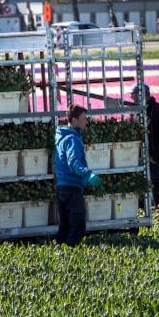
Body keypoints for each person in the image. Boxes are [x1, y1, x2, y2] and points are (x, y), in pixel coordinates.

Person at [53, 104, 102, 247]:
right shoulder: (73, 139)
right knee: (78, 228)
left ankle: (57, 253)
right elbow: (73, 162)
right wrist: (88, 174)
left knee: (65, 227)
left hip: (62, 187)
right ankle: (68, 256)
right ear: (74, 120)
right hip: (72, 188)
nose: (86, 122)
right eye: (83, 119)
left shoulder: (61, 136)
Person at [132, 84, 159, 209]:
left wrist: (156, 156)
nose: (133, 100)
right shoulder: (136, 112)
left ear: (144, 96)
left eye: (135, 97)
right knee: (142, 184)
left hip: (154, 156)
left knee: (156, 182)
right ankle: (144, 204)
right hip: (139, 156)